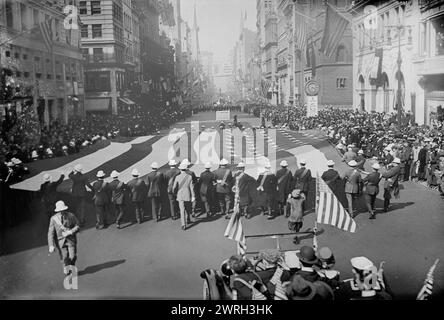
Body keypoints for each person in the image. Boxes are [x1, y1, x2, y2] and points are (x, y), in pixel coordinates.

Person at [47, 201, 80, 276]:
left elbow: (77, 226)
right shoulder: (53, 219)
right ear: (57, 211)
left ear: (65, 209)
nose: (61, 212)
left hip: (71, 240)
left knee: (73, 256)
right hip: (60, 241)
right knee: (64, 257)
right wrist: (51, 245)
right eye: (59, 211)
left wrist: (71, 231)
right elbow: (50, 232)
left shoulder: (71, 216)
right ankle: (66, 267)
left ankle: (71, 266)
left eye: (62, 210)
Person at [173, 162, 195, 230]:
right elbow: (191, 187)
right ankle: (188, 219)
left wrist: (175, 193)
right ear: (186, 169)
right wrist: (193, 196)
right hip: (187, 193)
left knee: (182, 209)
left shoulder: (177, 177)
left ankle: (183, 224)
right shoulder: (189, 177)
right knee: (188, 208)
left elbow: (174, 187)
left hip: (180, 194)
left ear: (180, 169)